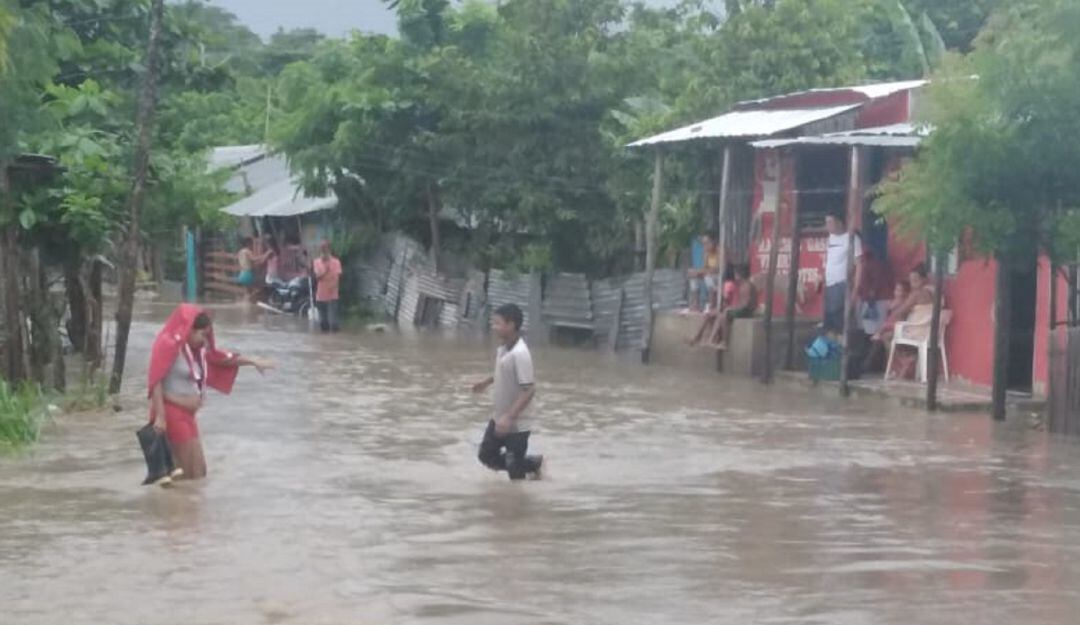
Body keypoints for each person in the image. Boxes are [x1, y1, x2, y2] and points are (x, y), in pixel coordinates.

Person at [147, 305, 271, 480]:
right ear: (189, 329)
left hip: (188, 415)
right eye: (202, 335)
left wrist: (253, 361)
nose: (205, 340)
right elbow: (155, 379)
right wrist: (160, 416)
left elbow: (222, 359)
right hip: (171, 414)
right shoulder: (167, 344)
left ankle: (183, 498)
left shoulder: (195, 350)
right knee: (186, 473)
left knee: (199, 472)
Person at [471, 303, 543, 481]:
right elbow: (504, 372)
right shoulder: (503, 349)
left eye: (497, 323)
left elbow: (529, 389)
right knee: (486, 456)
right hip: (499, 417)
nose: (494, 327)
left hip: (517, 423)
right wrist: (486, 382)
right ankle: (532, 464)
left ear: (511, 325)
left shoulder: (520, 354)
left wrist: (510, 417)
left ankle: (525, 472)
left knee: (515, 476)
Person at [823, 214, 863, 335]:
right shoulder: (830, 238)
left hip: (842, 283)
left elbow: (859, 264)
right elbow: (829, 260)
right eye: (826, 222)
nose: (827, 226)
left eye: (830, 222)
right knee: (829, 320)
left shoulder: (852, 238)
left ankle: (844, 343)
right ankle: (832, 344)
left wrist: (856, 288)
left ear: (839, 223)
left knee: (839, 318)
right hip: (829, 284)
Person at [705, 264, 757, 349]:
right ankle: (711, 339)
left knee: (723, 315)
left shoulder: (747, 286)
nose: (734, 276)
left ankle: (724, 342)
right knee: (716, 314)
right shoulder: (742, 285)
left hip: (746, 311)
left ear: (739, 275)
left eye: (735, 274)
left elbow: (745, 305)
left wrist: (731, 308)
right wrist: (731, 308)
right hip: (743, 309)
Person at [312, 240, 342, 333]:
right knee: (323, 324)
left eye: (325, 249)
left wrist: (332, 288)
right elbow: (317, 277)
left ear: (329, 250)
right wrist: (326, 270)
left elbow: (337, 278)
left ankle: (335, 339)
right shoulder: (316, 262)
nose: (323, 251)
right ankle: (325, 340)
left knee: (333, 323)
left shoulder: (336, 262)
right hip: (320, 296)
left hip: (332, 295)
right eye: (322, 249)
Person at [687, 233, 721, 313]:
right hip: (710, 274)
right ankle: (695, 305)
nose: (705, 245)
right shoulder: (706, 252)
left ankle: (711, 305)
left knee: (708, 278)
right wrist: (696, 273)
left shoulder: (720, 250)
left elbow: (718, 269)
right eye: (704, 243)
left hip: (721, 276)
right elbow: (705, 268)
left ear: (714, 241)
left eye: (707, 243)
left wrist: (700, 271)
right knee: (693, 277)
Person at [237, 237, 271, 302]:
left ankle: (244, 303)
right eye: (252, 244)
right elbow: (254, 259)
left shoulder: (240, 251)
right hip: (248, 274)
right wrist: (265, 255)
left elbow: (247, 262)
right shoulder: (247, 251)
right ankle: (248, 301)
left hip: (242, 274)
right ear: (248, 243)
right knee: (259, 289)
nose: (253, 246)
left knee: (248, 292)